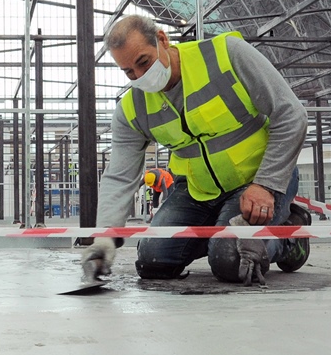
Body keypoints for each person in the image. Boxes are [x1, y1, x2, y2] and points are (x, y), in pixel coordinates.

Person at [80, 15, 311, 284]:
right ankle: (222, 231)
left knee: (232, 260)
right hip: (196, 190)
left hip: (257, 182)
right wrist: (105, 237)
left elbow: (291, 114)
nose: (139, 76)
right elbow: (120, 175)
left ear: (162, 40)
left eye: (143, 62)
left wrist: (266, 184)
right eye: (129, 72)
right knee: (153, 261)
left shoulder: (226, 56)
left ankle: (289, 238)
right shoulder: (132, 109)